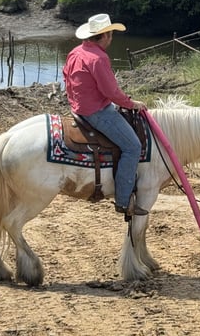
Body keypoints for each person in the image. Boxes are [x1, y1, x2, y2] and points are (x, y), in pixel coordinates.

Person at [63, 13, 149, 217]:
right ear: (106, 36)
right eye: (110, 34)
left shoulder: (76, 52)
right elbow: (111, 92)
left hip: (78, 108)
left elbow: (66, 77)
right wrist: (131, 103)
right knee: (133, 146)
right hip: (95, 111)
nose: (111, 38)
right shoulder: (99, 58)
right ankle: (123, 200)